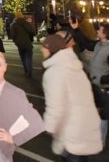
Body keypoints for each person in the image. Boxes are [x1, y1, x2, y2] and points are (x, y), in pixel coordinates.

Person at [40, 31, 102, 161]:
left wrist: (49, 126)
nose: (41, 49)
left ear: (52, 49)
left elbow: (55, 106)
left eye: (44, 47)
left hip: (71, 129)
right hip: (85, 125)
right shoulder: (75, 66)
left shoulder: (54, 72)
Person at [68, 19, 109, 154]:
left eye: (99, 30)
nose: (97, 31)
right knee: (101, 117)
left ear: (105, 35)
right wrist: (76, 29)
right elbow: (86, 43)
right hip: (99, 88)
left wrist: (102, 79)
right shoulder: (99, 45)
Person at [9, 13, 36, 79]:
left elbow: (12, 35)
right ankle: (29, 71)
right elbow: (32, 32)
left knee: (23, 57)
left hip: (20, 44)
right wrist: (30, 38)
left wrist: (16, 41)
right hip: (28, 43)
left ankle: (26, 70)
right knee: (29, 57)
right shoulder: (26, 23)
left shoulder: (14, 24)